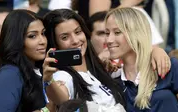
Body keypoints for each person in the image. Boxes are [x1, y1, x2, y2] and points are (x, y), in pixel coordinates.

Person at [42, 9, 170, 112]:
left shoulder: (104, 70)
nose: (75, 40)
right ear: (55, 43)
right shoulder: (63, 76)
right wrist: (48, 80)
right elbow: (62, 99)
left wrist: (155, 50)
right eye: (65, 37)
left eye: (78, 32)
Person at [105, 7, 178, 112]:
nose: (109, 40)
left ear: (135, 33)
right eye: (107, 33)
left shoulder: (168, 66)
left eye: (117, 32)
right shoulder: (114, 82)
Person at [0, 9, 47, 111]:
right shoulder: (10, 74)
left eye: (43, 33)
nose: (42, 41)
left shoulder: (39, 69)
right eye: (32, 36)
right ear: (17, 39)